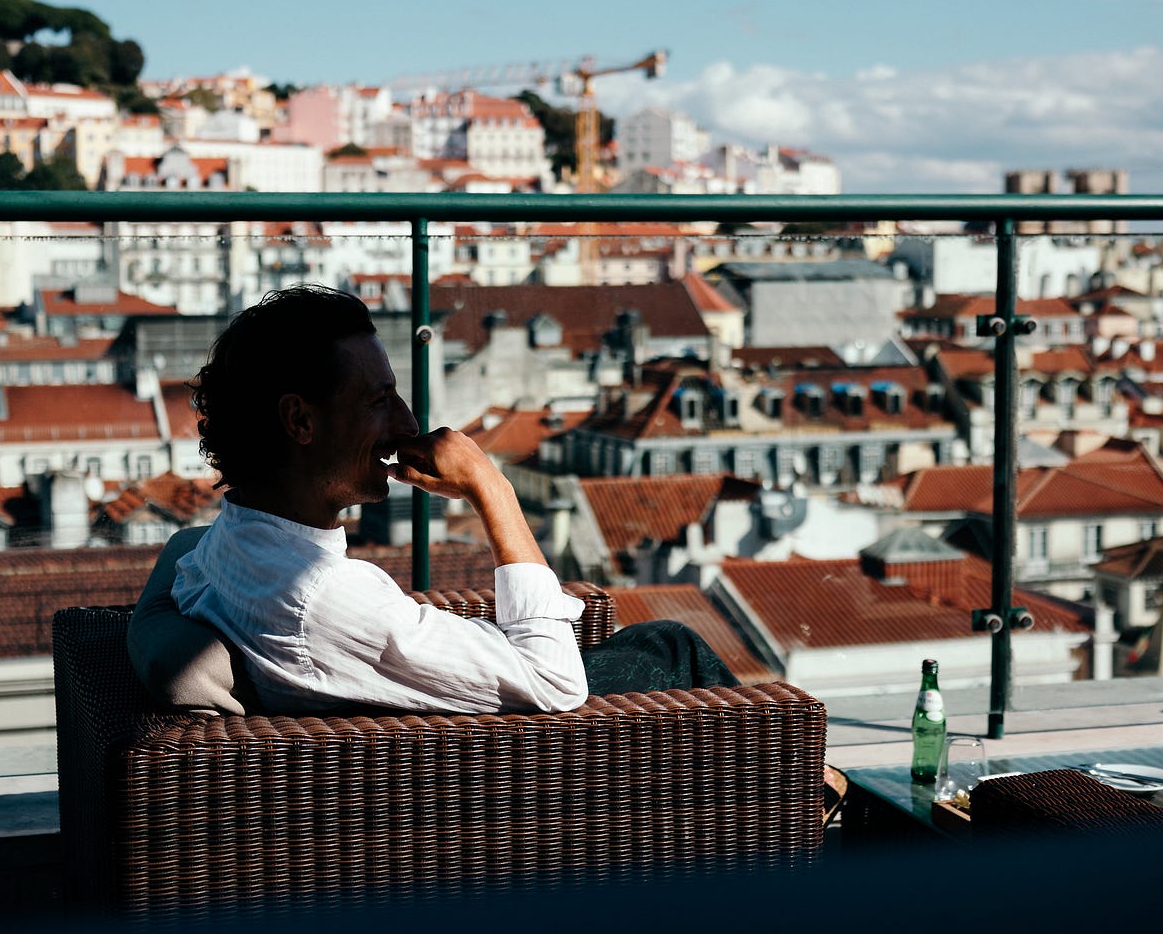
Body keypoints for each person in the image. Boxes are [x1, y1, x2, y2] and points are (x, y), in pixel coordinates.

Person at [130, 284, 736, 716]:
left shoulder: (213, 550)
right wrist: (490, 489)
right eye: (378, 399)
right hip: (516, 769)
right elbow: (555, 686)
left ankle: (803, 789)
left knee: (646, 643)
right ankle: (795, 805)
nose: (406, 421)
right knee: (672, 647)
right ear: (300, 421)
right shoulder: (322, 597)